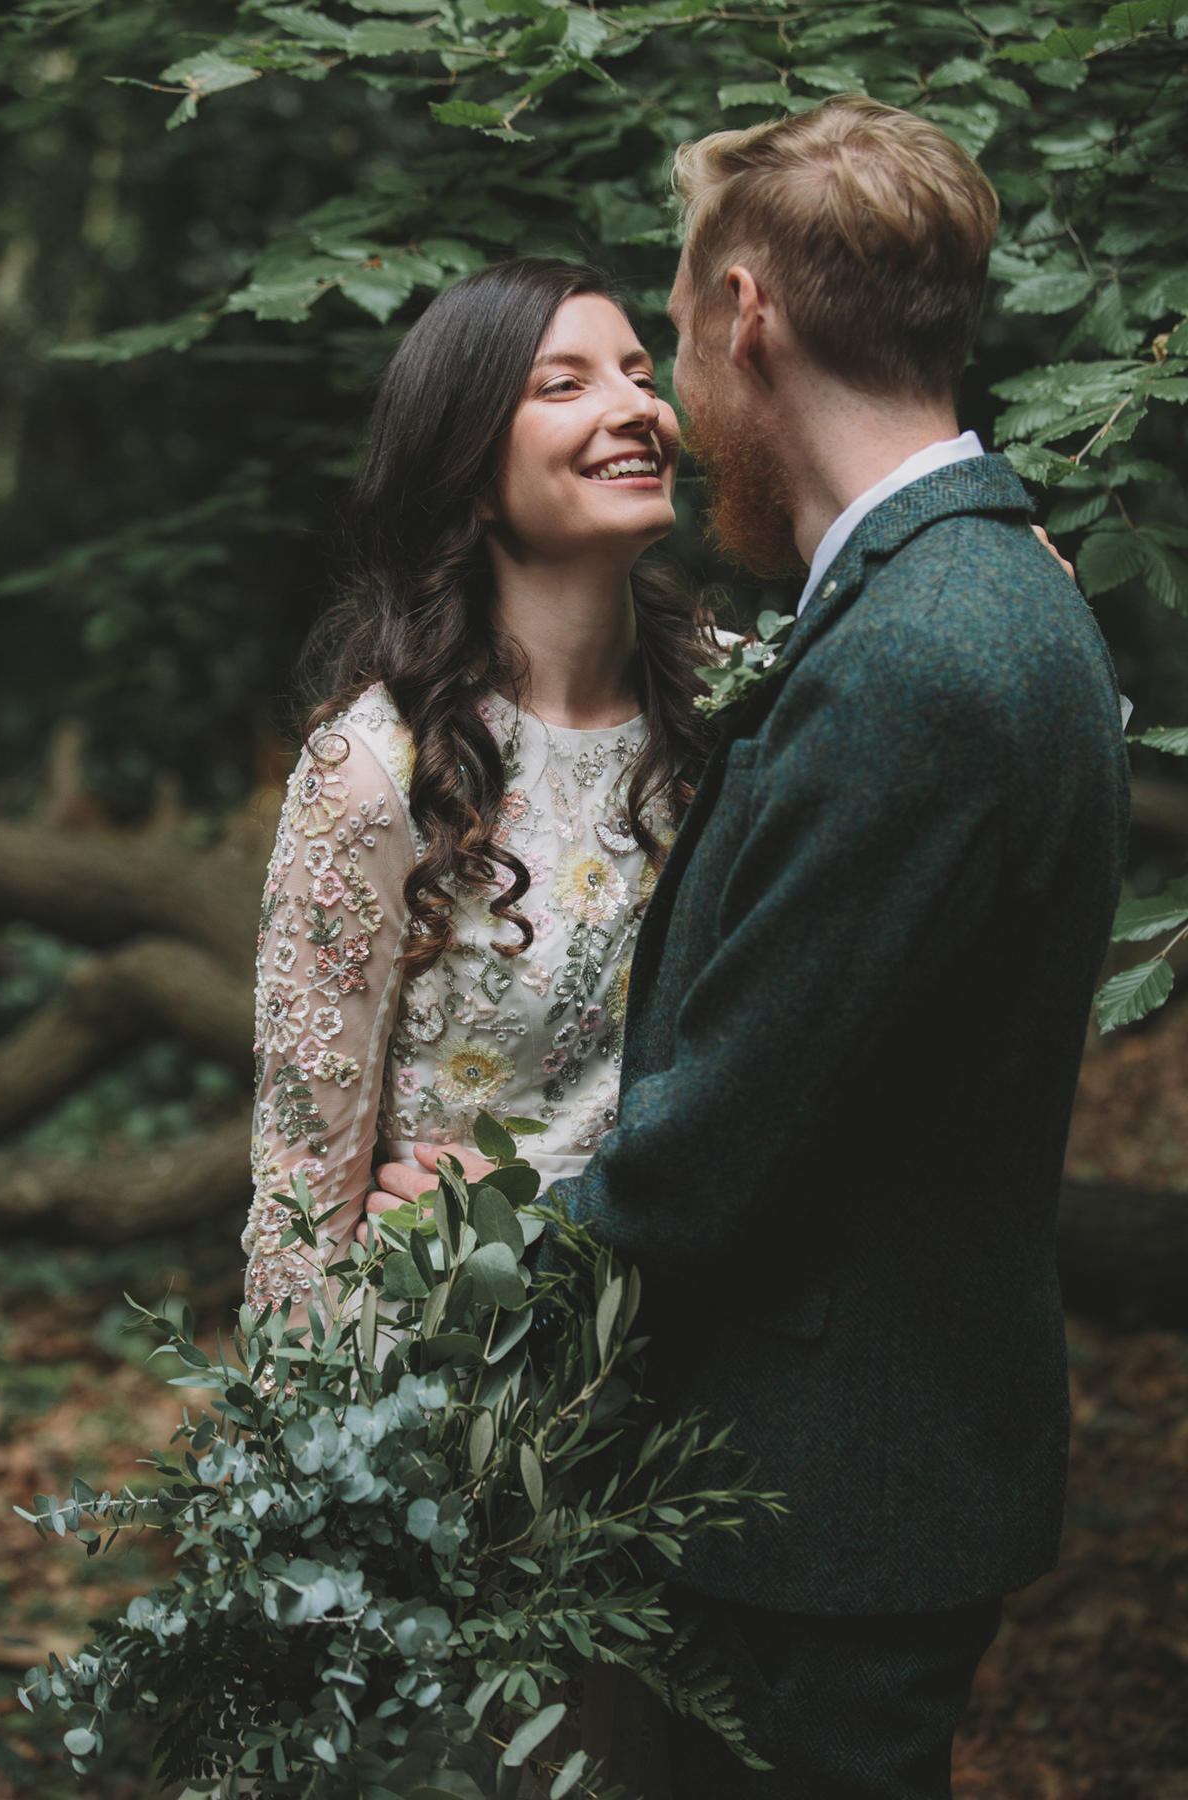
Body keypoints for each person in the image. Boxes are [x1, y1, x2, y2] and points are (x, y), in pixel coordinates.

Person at [369, 99, 1130, 1798]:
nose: (672, 408)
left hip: (827, 1498)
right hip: (857, 1465)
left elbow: (727, 1152)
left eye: (674, 337)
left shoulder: (925, 655)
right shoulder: (973, 597)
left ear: (747, 314)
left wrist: (470, 1246)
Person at [243, 257, 725, 1317]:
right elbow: (298, 1211)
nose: (637, 409)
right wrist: (306, 1469)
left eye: (642, 375)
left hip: (701, 1375)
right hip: (450, 1386)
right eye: (567, 385)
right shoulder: (374, 775)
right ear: (466, 469)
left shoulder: (747, 710)